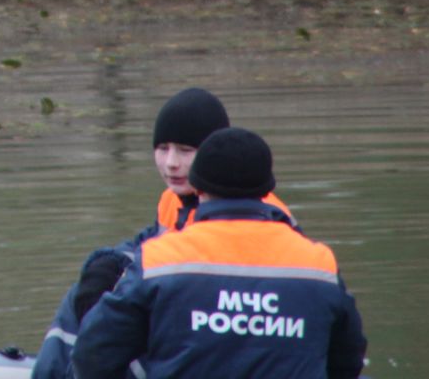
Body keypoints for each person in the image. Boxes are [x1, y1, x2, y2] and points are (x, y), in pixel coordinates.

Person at [30, 88, 295, 379]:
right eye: (163, 148)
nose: (171, 163)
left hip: (218, 329)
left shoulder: (259, 214)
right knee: (87, 288)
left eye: (185, 150)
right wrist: (109, 264)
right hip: (185, 310)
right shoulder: (173, 200)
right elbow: (151, 243)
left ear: (211, 155)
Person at [71, 127, 368, 379]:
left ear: (197, 187)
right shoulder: (318, 265)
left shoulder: (158, 261)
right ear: (267, 189)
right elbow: (348, 363)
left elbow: (92, 356)